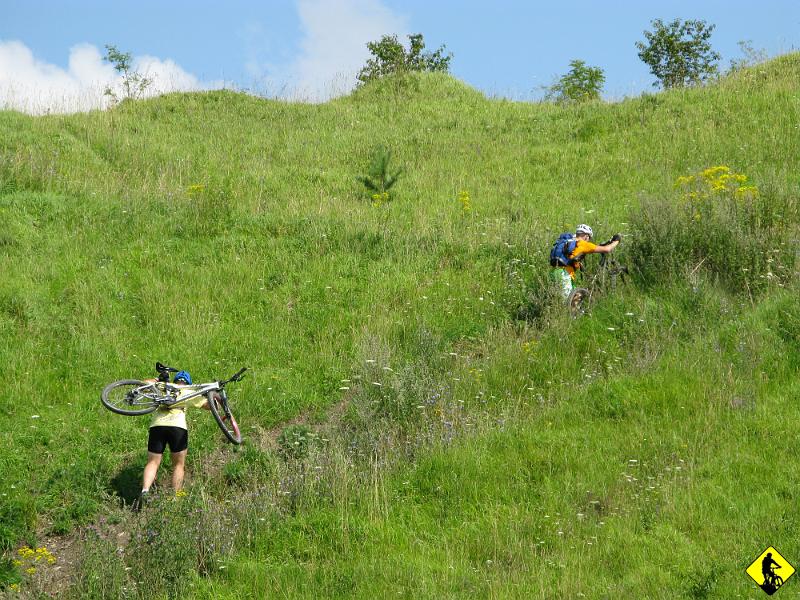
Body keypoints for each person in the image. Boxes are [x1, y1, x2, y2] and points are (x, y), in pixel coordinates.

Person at [137, 369, 210, 507]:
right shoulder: (188, 391)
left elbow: (141, 385)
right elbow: (210, 406)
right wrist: (210, 395)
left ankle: (145, 490)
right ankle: (176, 497)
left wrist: (157, 380)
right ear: (188, 383)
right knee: (178, 465)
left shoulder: (163, 387)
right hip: (178, 428)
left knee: (152, 462)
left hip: (157, 427)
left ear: (174, 380)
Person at [550, 224, 621, 298]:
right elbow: (607, 249)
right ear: (586, 236)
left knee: (575, 297)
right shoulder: (583, 244)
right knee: (566, 301)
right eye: (589, 238)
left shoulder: (569, 241)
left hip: (554, 271)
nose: (588, 240)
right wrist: (617, 241)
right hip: (564, 274)